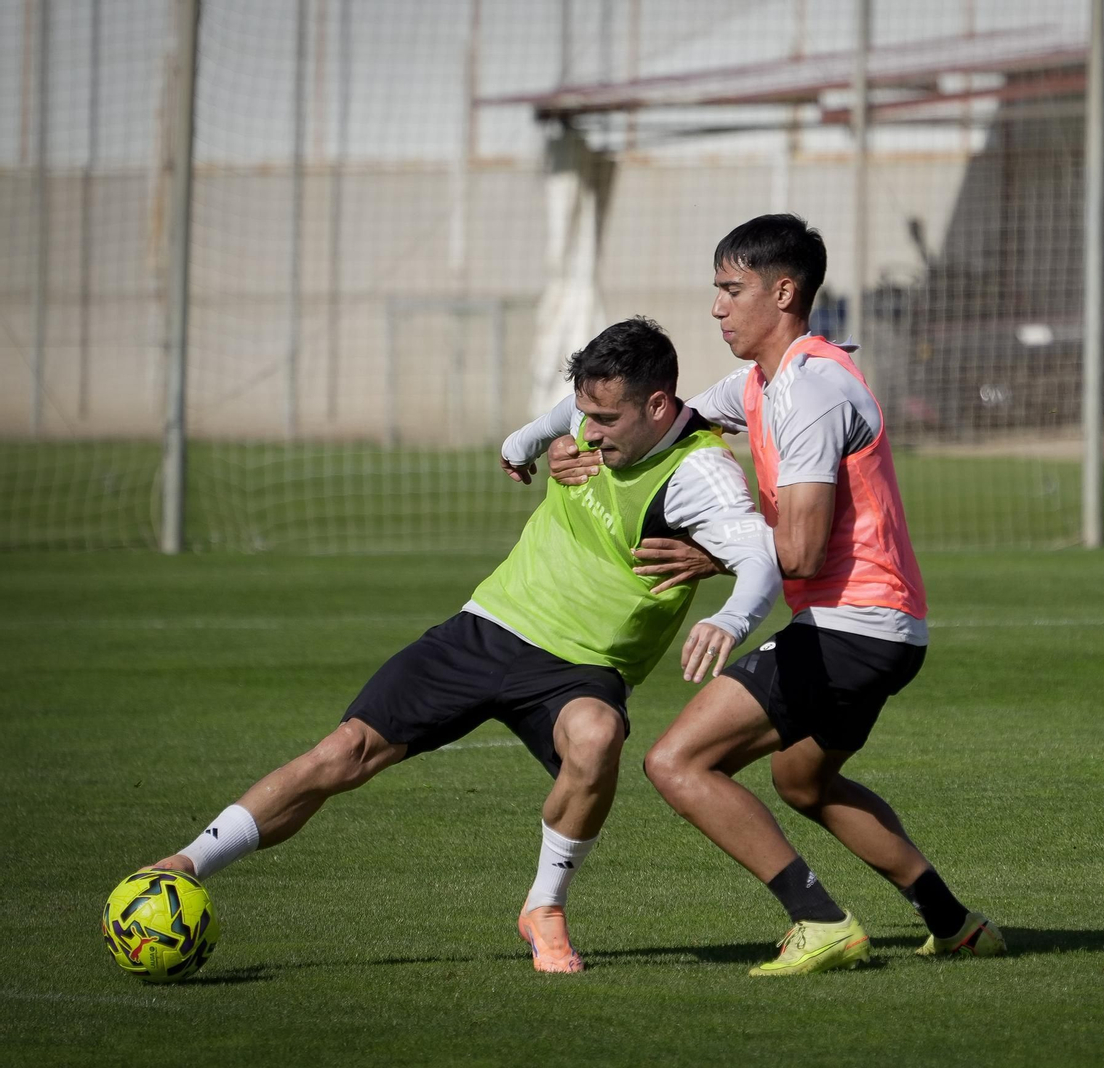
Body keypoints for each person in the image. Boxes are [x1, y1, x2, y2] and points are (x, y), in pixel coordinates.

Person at [142, 317, 780, 972]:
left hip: (583, 667)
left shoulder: (701, 474)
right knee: (343, 753)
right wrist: (522, 448)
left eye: (606, 419)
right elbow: (545, 426)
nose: (589, 430)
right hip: (489, 626)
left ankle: (545, 908)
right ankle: (184, 864)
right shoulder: (593, 420)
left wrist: (730, 616)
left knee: (596, 739)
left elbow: (762, 557)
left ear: (657, 406)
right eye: (586, 413)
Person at [551, 215, 1002, 976]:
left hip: (852, 627)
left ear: (784, 292)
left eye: (732, 290)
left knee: (677, 761)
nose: (717, 308)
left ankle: (820, 922)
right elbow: (662, 419)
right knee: (803, 780)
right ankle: (956, 924)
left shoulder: (811, 392)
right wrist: (575, 439)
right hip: (879, 628)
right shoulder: (762, 382)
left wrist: (709, 556)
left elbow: (800, 551)